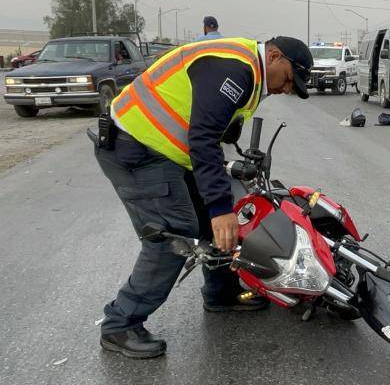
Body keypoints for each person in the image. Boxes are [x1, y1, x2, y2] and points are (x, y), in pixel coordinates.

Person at [93, 36, 313, 359]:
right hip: (136, 149)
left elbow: (212, 125)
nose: (287, 89)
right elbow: (203, 136)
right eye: (290, 79)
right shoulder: (239, 69)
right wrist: (220, 208)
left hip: (162, 150)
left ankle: (221, 293)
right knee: (173, 233)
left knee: (217, 220)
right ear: (275, 56)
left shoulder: (247, 69)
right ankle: (119, 323)